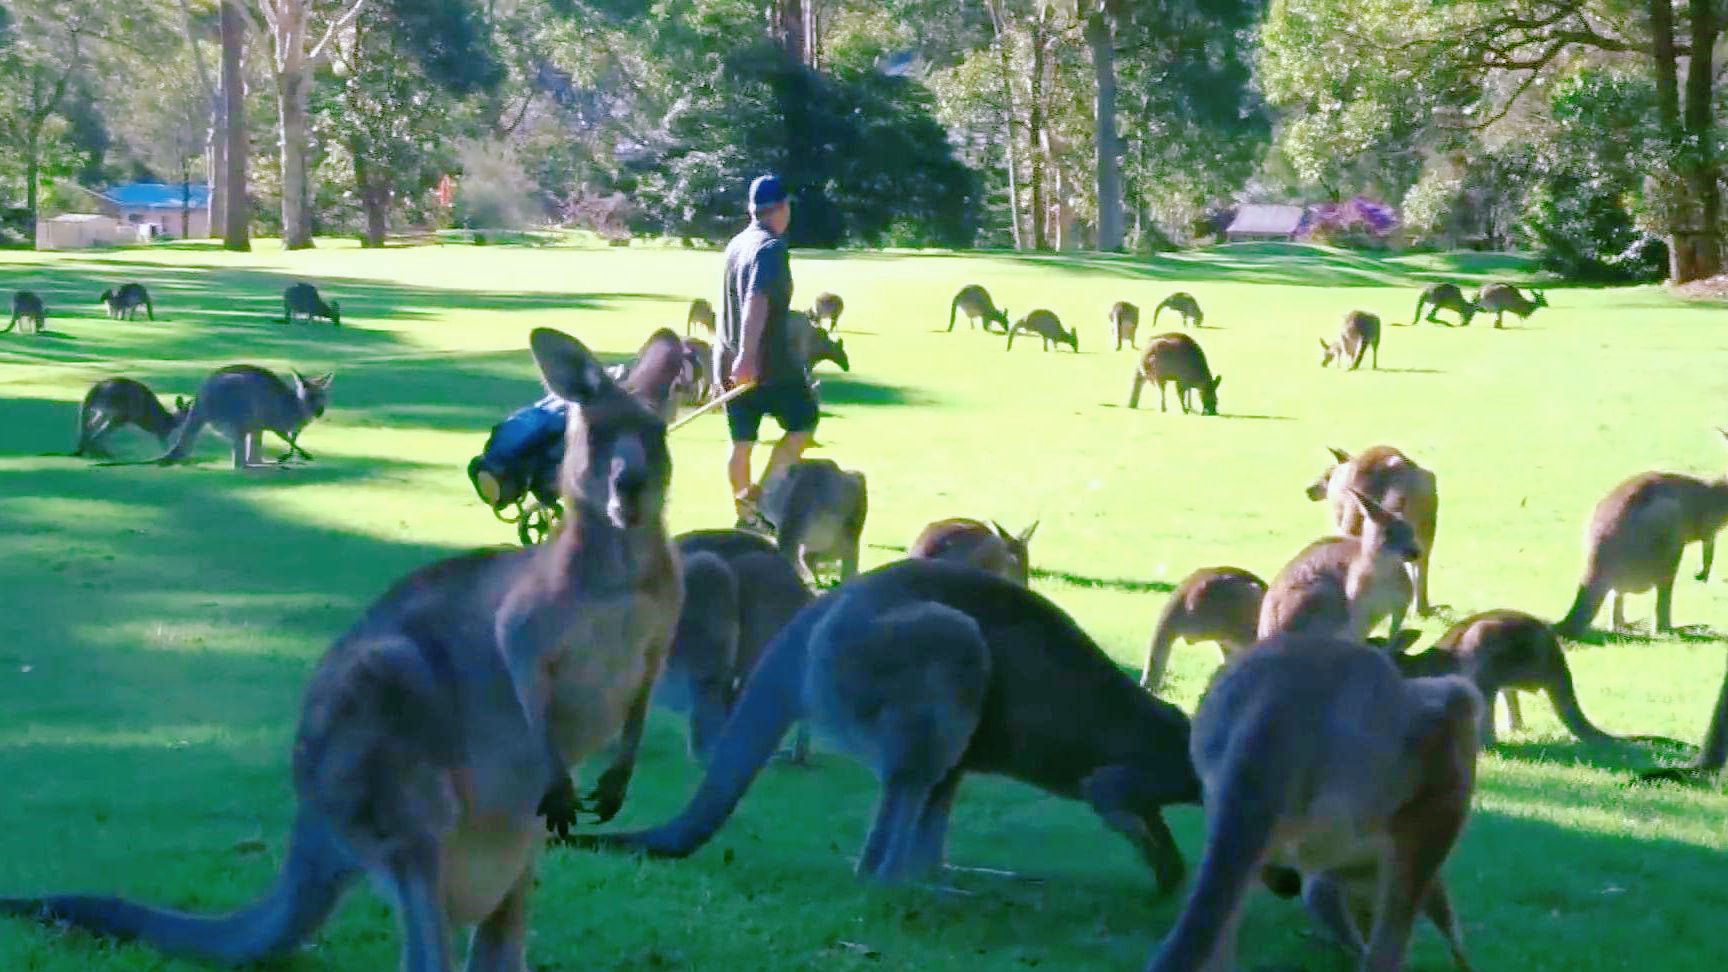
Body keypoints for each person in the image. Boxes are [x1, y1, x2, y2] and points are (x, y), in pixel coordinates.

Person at [718, 174, 817, 527]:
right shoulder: (771, 248)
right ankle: (759, 501)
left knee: (742, 440)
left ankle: (746, 516)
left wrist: (737, 358)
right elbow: (755, 300)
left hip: (727, 360)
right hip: (767, 364)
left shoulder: (736, 244)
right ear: (782, 208)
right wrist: (748, 355)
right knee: (803, 422)